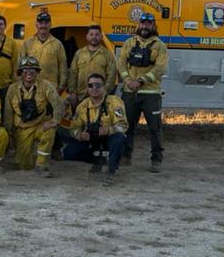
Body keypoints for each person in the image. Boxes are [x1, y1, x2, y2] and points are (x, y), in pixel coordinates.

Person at [117, 12, 169, 172]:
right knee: (127, 126)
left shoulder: (160, 46)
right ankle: (125, 156)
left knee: (155, 128)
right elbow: (121, 64)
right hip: (129, 92)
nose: (145, 26)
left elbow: (160, 68)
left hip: (151, 94)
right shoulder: (129, 43)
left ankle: (156, 160)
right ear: (138, 24)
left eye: (149, 23)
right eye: (143, 23)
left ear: (154, 25)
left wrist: (140, 81)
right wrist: (127, 81)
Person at [62, 73, 129, 183]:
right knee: (68, 153)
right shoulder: (83, 105)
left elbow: (123, 125)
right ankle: (97, 158)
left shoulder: (114, 102)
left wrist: (108, 130)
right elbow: (73, 128)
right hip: (91, 139)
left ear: (104, 87)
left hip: (108, 138)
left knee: (119, 139)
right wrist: (80, 135)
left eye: (98, 85)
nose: (94, 88)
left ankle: (112, 169)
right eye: (91, 85)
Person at [4, 56, 62, 177]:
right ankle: (27, 156)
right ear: (21, 72)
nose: (29, 73)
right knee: (23, 165)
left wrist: (54, 121)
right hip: (22, 127)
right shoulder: (12, 88)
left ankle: (42, 165)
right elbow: (8, 112)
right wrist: (9, 132)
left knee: (50, 131)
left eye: (32, 70)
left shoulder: (46, 86)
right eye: (25, 70)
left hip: (40, 124)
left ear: (37, 72)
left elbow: (57, 103)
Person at [68, 24, 118, 109]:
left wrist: (104, 92)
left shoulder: (107, 54)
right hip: (80, 96)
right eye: (91, 34)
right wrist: (72, 92)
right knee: (79, 121)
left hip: (99, 96)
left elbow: (112, 75)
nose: (94, 37)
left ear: (101, 37)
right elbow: (73, 73)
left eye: (97, 35)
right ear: (87, 36)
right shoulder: (79, 54)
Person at [19, 11, 68, 92]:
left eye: (46, 23)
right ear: (36, 25)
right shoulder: (28, 43)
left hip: (51, 88)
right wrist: (21, 84)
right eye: (41, 23)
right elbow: (20, 65)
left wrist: (61, 88)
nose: (43, 26)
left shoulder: (57, 44)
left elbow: (63, 68)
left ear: (50, 25)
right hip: (31, 87)